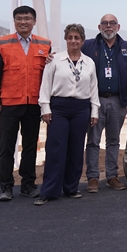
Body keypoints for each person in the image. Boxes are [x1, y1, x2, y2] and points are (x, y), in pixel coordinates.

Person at [34, 24, 100, 205]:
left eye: (77, 38)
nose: (73, 41)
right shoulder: (55, 60)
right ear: (66, 40)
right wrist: (45, 108)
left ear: (82, 41)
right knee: (56, 149)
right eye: (70, 37)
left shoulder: (89, 63)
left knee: (76, 149)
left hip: (81, 108)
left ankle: (71, 187)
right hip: (59, 108)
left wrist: (94, 111)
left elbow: (93, 89)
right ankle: (49, 191)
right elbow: (45, 85)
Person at [0, 6, 51, 202]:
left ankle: (28, 185)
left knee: (30, 147)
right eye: (19, 18)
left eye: (27, 18)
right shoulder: (2, 43)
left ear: (34, 21)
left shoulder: (45, 45)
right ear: (14, 21)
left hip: (33, 104)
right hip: (9, 103)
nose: (23, 22)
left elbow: (48, 76)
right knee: (6, 147)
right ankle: (6, 187)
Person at [82, 14, 127, 192]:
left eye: (112, 23)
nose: (108, 26)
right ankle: (93, 178)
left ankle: (112, 176)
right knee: (93, 141)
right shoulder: (88, 45)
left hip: (117, 101)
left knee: (113, 141)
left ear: (118, 27)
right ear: (99, 27)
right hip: (95, 101)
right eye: (105, 23)